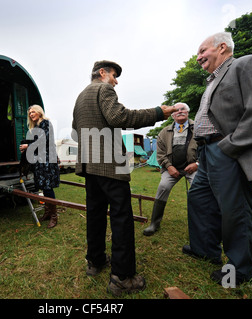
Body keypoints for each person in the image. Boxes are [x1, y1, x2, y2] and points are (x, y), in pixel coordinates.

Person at [71, 60, 177, 296]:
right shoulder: (104, 89)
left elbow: (75, 128)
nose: (116, 81)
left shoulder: (80, 96)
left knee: (95, 214)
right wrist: (159, 112)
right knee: (121, 217)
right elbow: (119, 118)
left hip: (89, 165)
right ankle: (122, 277)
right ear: (102, 73)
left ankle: (95, 261)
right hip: (109, 165)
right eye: (114, 75)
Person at [183, 32, 252, 285]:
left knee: (235, 210)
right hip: (206, 152)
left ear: (222, 47)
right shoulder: (211, 80)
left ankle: (241, 270)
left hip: (227, 151)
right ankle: (205, 249)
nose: (198, 57)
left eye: (202, 51)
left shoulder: (248, 63)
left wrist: (230, 146)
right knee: (199, 198)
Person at [143, 102, 198, 236]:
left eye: (183, 109)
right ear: (172, 115)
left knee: (199, 189)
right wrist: (169, 166)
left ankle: (201, 224)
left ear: (188, 112)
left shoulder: (199, 128)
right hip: (171, 168)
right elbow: (160, 153)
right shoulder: (164, 131)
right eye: (176, 110)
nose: (179, 111)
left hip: (193, 167)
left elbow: (207, 149)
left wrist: (197, 164)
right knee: (163, 186)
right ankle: (154, 223)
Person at [20, 105, 60, 228]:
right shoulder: (36, 127)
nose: (31, 114)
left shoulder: (45, 123)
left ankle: (54, 216)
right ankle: (48, 212)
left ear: (39, 112)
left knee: (48, 187)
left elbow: (44, 140)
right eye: (29, 113)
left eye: (33, 112)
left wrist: (28, 146)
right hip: (40, 160)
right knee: (43, 186)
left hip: (47, 160)